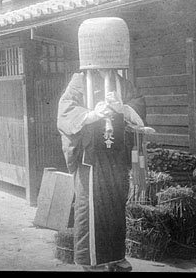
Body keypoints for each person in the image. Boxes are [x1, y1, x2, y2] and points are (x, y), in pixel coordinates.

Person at [57, 68, 146, 271]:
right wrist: (92, 115)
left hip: (115, 154)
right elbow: (65, 111)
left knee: (116, 205)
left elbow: (138, 105)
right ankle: (90, 260)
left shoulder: (121, 82)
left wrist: (123, 108)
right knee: (89, 207)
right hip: (91, 156)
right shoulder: (80, 79)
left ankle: (115, 256)